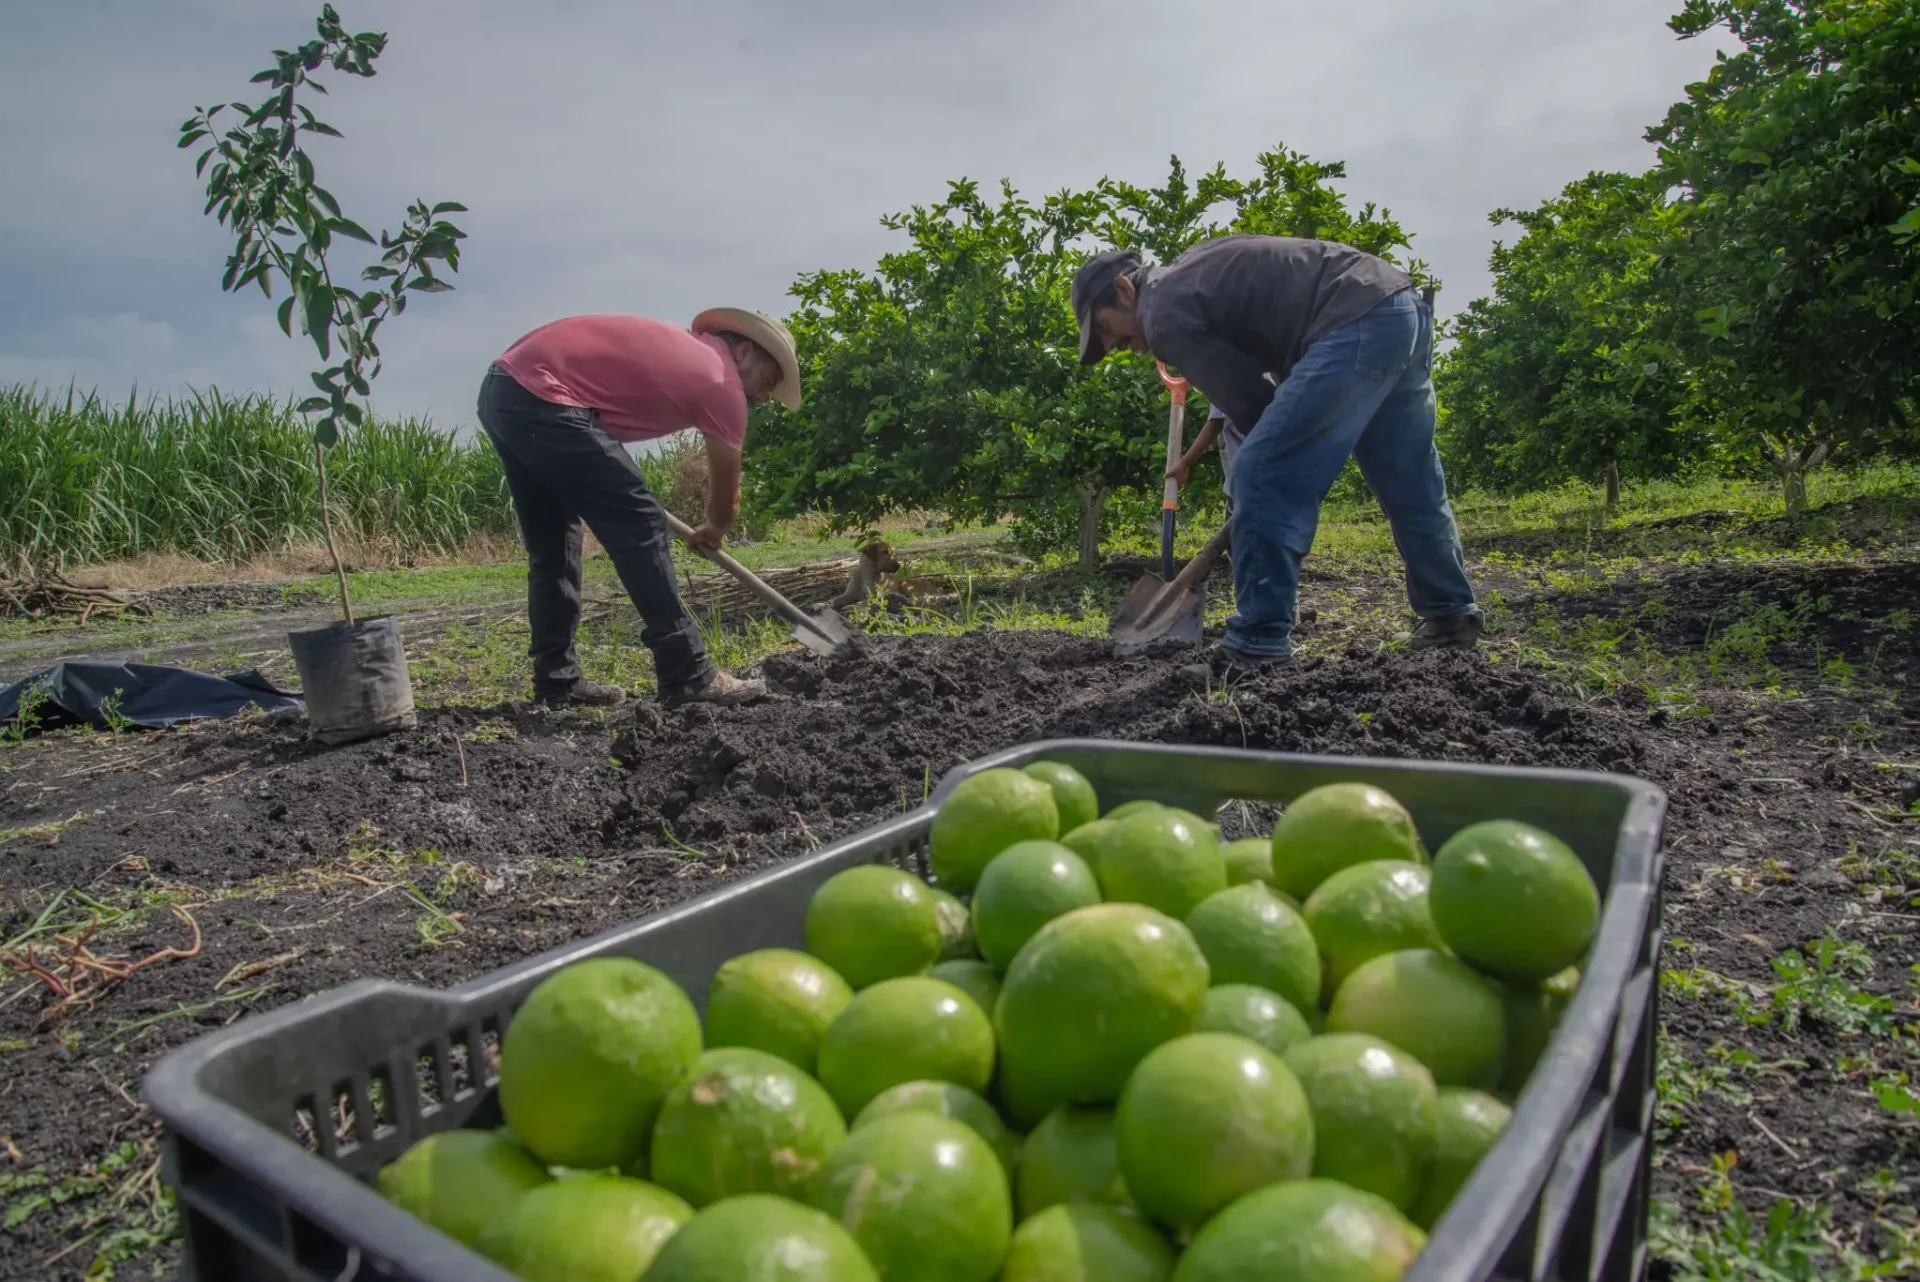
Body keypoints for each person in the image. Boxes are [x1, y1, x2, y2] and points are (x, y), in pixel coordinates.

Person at [1072, 235, 1482, 670]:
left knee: (1259, 470)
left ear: (1123, 289)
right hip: (1397, 308)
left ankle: (1257, 646)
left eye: (1103, 328)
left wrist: (1268, 482)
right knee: (1410, 480)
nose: (1115, 344)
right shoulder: (1188, 273)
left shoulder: (1160, 311)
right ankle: (1449, 614)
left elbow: (1252, 406)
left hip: (1352, 321)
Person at [476, 309, 800, 708]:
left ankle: (556, 682)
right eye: (767, 381)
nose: (764, 396)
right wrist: (714, 528)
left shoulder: (690, 352)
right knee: (639, 521)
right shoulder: (721, 381)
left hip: (505, 390)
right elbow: (727, 501)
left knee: (555, 543)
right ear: (746, 351)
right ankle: (689, 674)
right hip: (544, 396)